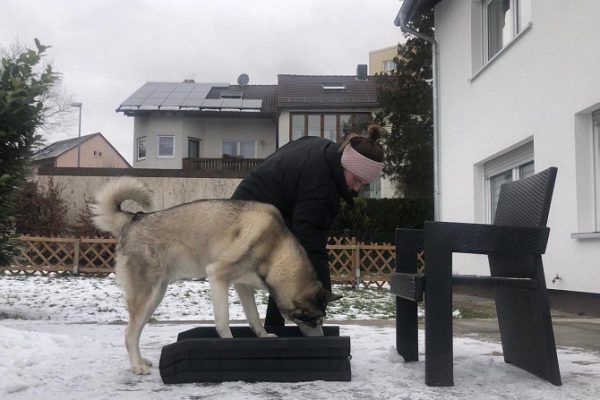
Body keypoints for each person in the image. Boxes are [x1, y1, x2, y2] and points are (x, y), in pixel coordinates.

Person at [230, 124, 385, 327]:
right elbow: (310, 242)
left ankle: (274, 332)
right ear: (346, 162)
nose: (356, 188)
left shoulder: (325, 151)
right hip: (246, 219)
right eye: (356, 179)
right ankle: (280, 333)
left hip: (247, 211)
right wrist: (320, 295)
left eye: (363, 184)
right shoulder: (322, 184)